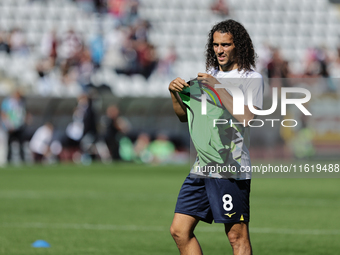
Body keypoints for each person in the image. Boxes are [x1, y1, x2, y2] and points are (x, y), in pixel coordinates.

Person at [168, 19, 263, 255]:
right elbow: (183, 116)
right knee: (179, 230)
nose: (219, 50)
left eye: (225, 45)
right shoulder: (206, 76)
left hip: (230, 167)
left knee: (236, 237)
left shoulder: (250, 78)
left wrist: (218, 87)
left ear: (238, 46)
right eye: (215, 45)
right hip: (202, 166)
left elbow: (247, 117)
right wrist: (173, 94)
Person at [1, 90, 27, 164]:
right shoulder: (7, 102)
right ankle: (8, 160)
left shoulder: (21, 102)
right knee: (9, 145)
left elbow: (22, 114)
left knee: (21, 144)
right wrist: (8, 125)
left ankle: (23, 160)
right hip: (10, 128)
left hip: (19, 127)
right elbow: (4, 114)